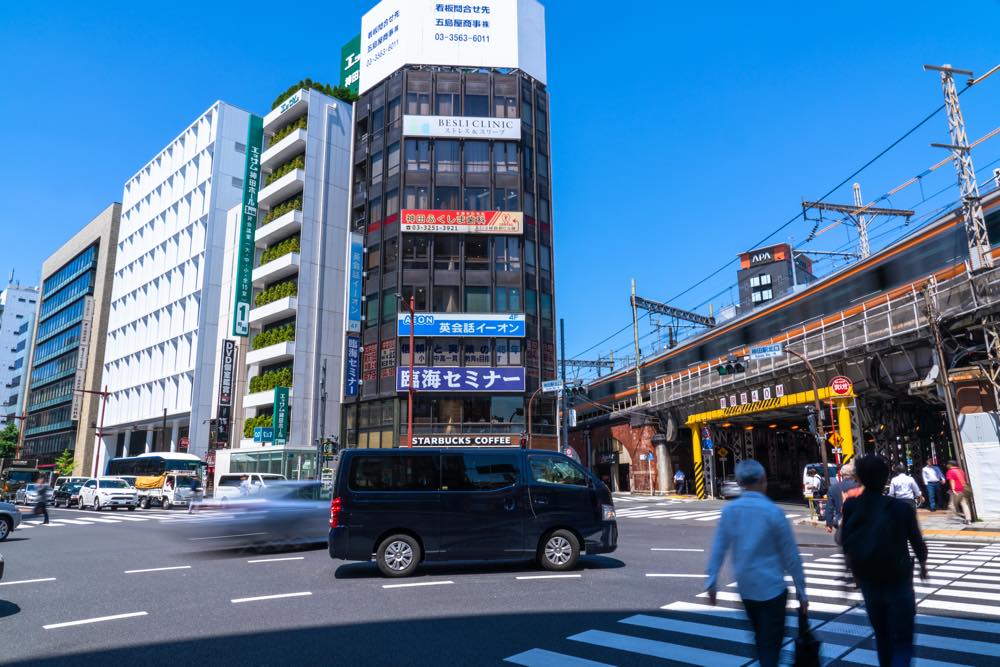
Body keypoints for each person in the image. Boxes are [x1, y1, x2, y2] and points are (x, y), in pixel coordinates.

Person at [706, 460, 807, 667]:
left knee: (760, 638)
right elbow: (791, 555)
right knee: (771, 646)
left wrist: (712, 580)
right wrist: (801, 590)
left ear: (741, 482)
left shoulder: (730, 511)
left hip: (746, 590)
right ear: (763, 480)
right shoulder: (773, 512)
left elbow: (719, 546)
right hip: (773, 590)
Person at [841, 454, 928, 667]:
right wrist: (923, 565)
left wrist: (850, 572)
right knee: (902, 639)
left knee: (882, 636)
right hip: (898, 578)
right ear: (885, 477)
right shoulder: (901, 508)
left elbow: (846, 541)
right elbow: (917, 542)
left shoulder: (852, 506)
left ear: (859, 478)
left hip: (869, 580)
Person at [825, 462, 861, 538]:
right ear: (854, 474)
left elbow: (829, 508)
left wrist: (829, 523)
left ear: (841, 473)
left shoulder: (833, 488)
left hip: (840, 520)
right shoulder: (860, 487)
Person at [945, 460, 972, 525]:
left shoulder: (950, 471)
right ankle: (968, 519)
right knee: (964, 504)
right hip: (964, 489)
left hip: (956, 490)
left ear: (950, 465)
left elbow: (952, 481)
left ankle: (951, 516)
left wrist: (953, 489)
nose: (947, 465)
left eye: (948, 464)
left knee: (952, 504)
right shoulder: (961, 471)